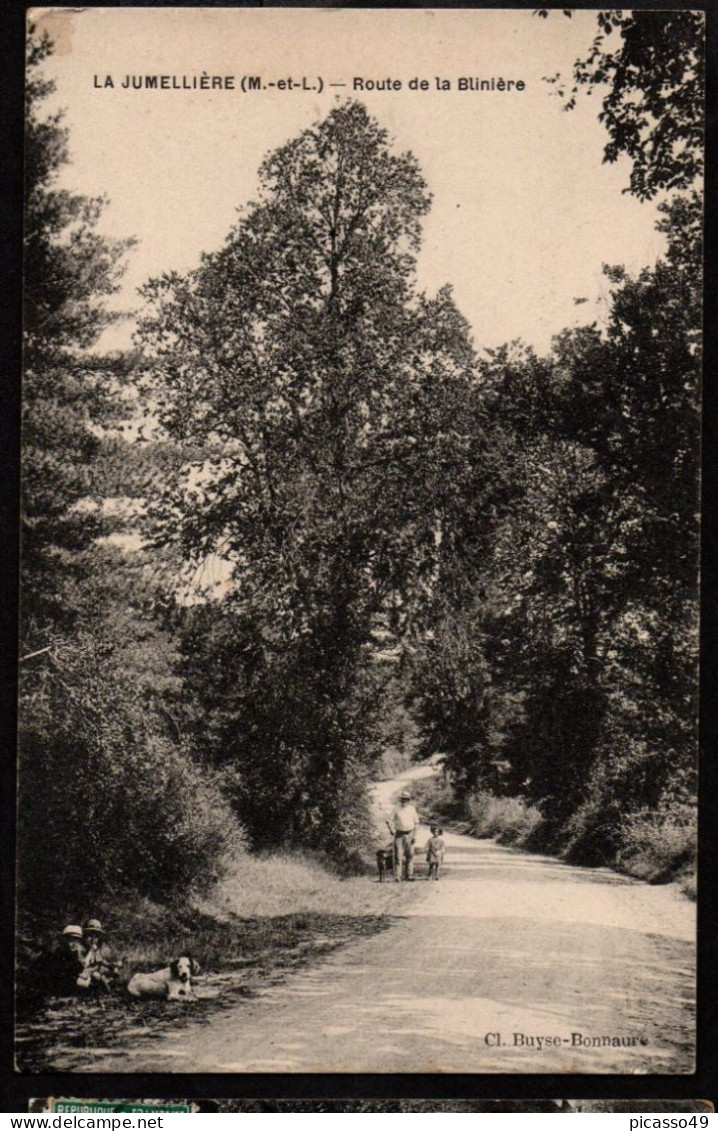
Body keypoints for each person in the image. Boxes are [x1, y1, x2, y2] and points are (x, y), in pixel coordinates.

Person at [79, 919, 120, 990]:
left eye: (96, 936)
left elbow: (100, 961)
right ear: (86, 936)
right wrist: (91, 950)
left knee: (114, 972)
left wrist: (111, 965)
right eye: (90, 935)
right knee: (94, 977)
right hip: (85, 973)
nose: (93, 939)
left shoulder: (96, 949)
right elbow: (84, 964)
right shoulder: (82, 948)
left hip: (96, 971)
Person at [390, 789, 420, 882]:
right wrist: (391, 830)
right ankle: (398, 876)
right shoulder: (396, 809)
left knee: (410, 856)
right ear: (400, 800)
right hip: (399, 835)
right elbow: (389, 820)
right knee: (398, 856)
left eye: (406, 799)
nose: (404, 801)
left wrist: (415, 835)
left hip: (410, 834)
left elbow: (416, 823)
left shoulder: (412, 809)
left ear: (409, 800)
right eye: (403, 799)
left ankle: (409, 875)